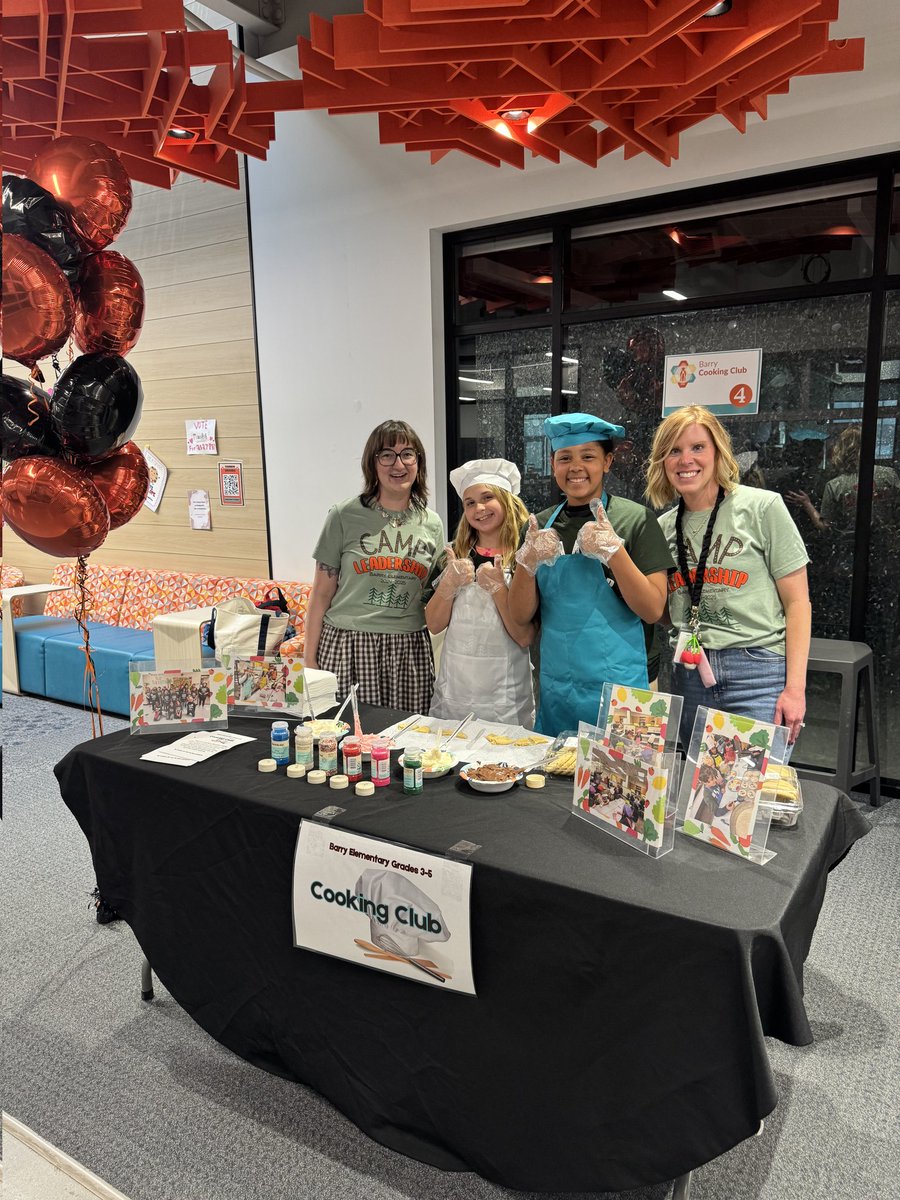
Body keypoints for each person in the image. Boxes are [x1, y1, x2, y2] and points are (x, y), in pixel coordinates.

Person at [645, 405, 811, 751]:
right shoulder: (662, 529)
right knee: (698, 792)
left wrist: (795, 689)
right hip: (688, 672)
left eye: (697, 447)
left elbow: (797, 604)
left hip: (756, 671)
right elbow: (664, 612)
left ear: (719, 453)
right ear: (662, 461)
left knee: (752, 791)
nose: (685, 459)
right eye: (673, 451)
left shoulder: (763, 508)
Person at [508, 413, 673, 735]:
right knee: (554, 780)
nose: (575, 467)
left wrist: (615, 552)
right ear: (553, 463)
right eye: (565, 457)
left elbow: (653, 610)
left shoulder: (635, 520)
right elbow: (519, 615)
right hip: (559, 689)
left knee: (624, 780)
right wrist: (526, 566)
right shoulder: (538, 526)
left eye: (588, 456)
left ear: (608, 462)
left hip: (622, 689)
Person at [305, 420, 445, 711]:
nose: (398, 464)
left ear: (419, 461)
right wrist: (309, 660)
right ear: (373, 463)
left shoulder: (431, 523)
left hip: (409, 649)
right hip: (348, 646)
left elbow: (433, 595)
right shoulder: (343, 515)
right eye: (387, 455)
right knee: (347, 739)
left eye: (408, 453)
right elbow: (320, 594)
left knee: (408, 742)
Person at [426, 458, 535, 726]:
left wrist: (499, 590)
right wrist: (448, 584)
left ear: (507, 500)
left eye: (488, 497)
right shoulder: (452, 554)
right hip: (456, 691)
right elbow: (434, 623)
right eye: (470, 502)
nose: (479, 508)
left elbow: (525, 637)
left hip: (506, 697)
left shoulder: (526, 558)